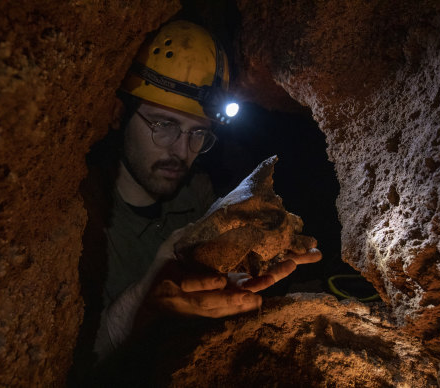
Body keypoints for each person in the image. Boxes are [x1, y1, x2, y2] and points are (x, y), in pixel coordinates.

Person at [70, 20, 321, 382]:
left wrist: (238, 274)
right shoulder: (78, 221)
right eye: (164, 125)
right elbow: (60, 365)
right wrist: (142, 304)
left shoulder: (197, 193)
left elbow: (219, 282)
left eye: (197, 133)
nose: (182, 151)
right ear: (118, 114)